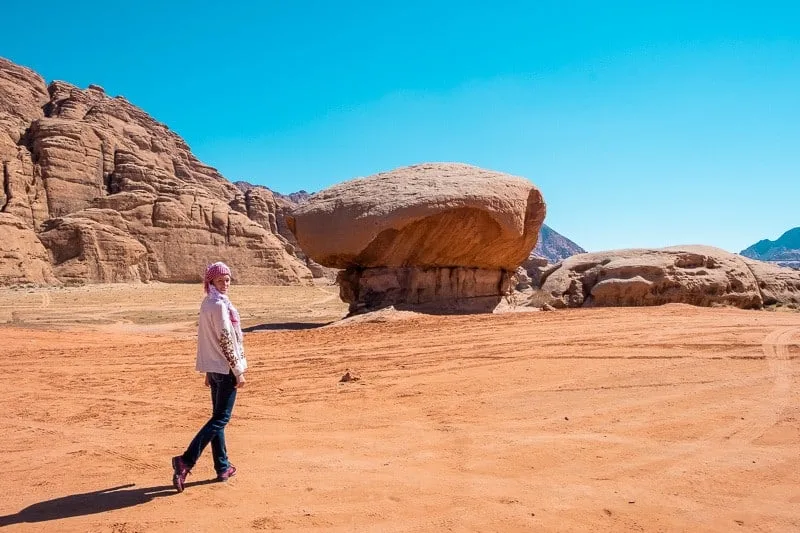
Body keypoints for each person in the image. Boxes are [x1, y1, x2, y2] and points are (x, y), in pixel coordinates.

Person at [171, 261, 247, 492]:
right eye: (221, 280)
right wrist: (238, 371)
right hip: (225, 370)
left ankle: (222, 466)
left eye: (228, 279)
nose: (225, 284)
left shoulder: (208, 303)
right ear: (210, 281)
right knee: (220, 419)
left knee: (217, 420)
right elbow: (225, 339)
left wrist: (207, 371)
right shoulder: (220, 306)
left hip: (214, 370)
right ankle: (186, 460)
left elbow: (206, 340)